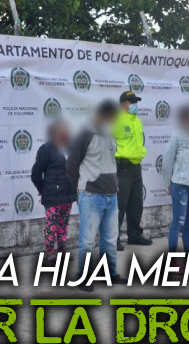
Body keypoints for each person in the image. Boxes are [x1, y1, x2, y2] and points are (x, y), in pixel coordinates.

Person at [67, 100, 124, 290]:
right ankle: (83, 278)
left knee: (110, 239)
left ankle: (110, 273)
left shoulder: (110, 134)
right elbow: (71, 165)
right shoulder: (84, 135)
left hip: (112, 195)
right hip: (91, 196)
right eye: (112, 117)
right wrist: (81, 186)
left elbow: (112, 163)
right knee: (87, 241)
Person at [162, 106, 189, 263]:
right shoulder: (178, 137)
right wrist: (167, 183)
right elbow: (167, 162)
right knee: (177, 223)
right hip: (180, 185)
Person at [31, 119, 76, 262]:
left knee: (63, 225)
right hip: (52, 195)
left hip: (68, 194)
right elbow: (36, 173)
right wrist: (43, 189)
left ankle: (62, 250)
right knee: (52, 226)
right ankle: (50, 253)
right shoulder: (46, 149)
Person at [113, 90, 152, 250]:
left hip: (136, 166)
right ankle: (112, 239)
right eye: (132, 102)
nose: (135, 105)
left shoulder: (137, 121)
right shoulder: (116, 120)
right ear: (123, 104)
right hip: (122, 166)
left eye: (136, 102)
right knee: (119, 204)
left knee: (136, 203)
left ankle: (134, 235)